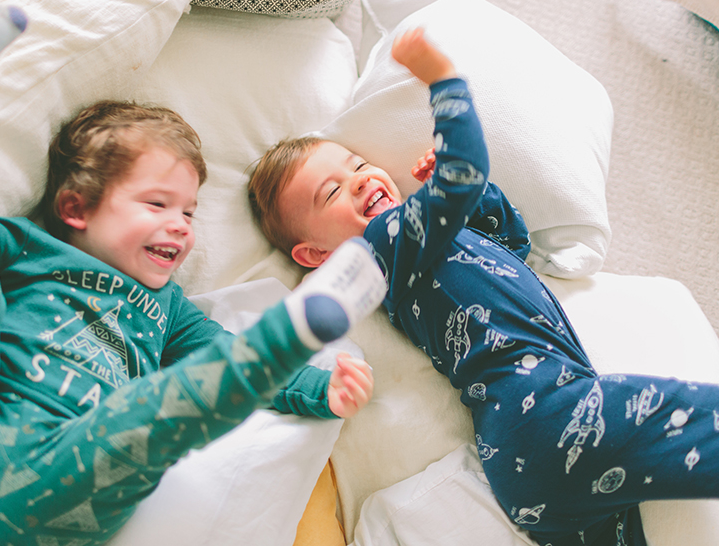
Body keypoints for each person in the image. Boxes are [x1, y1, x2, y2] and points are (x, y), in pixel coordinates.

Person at [0, 4, 386, 546]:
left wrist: (322, 390)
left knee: (149, 418)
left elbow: (223, 347)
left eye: (188, 212)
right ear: (76, 208)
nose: (180, 227)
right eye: (157, 203)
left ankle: (286, 341)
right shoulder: (24, 248)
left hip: (58, 496)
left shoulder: (168, 309)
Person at [247, 27, 719, 546]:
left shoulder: (422, 250)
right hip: (549, 415)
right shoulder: (381, 246)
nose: (359, 179)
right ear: (317, 255)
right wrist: (443, 82)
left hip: (527, 465)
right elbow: (468, 168)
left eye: (358, 165)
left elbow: (511, 247)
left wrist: (469, 202)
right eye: (332, 190)